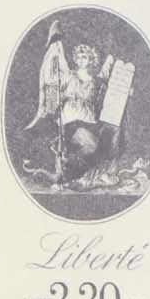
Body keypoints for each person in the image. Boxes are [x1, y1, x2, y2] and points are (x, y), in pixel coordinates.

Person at [25, 32, 120, 190]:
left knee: (107, 138)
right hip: (71, 121)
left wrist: (111, 57)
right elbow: (53, 77)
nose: (83, 60)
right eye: (80, 57)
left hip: (90, 121)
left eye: (86, 57)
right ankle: (67, 164)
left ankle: (76, 170)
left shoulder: (96, 80)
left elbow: (107, 71)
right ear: (76, 59)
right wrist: (57, 47)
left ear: (92, 59)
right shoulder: (69, 76)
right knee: (91, 145)